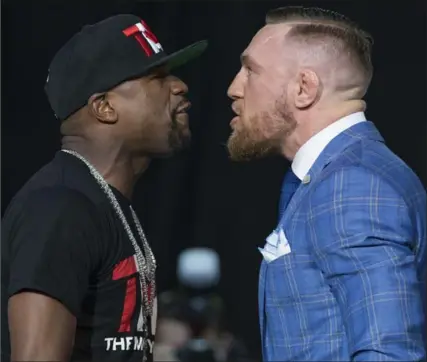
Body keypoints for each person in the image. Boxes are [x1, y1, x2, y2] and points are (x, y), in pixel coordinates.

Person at [1, 14, 207, 362]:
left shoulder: (105, 204)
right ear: (105, 107)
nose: (179, 86)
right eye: (156, 77)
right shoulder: (59, 209)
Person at [226, 5, 426, 361]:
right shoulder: (343, 172)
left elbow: (387, 353)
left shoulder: (353, 185)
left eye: (250, 70)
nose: (234, 88)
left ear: (304, 88)